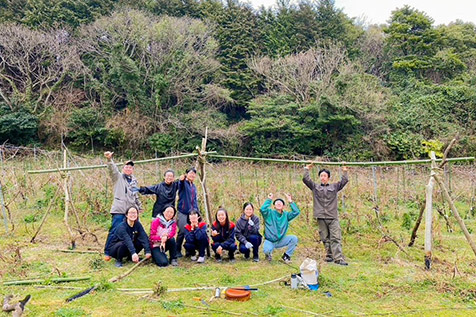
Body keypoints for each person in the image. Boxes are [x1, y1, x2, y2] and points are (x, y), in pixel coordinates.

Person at [303, 164, 349, 266]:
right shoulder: (315, 187)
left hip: (332, 216)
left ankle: (338, 258)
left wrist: (344, 171)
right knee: (325, 238)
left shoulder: (334, 186)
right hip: (320, 216)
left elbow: (344, 181)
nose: (323, 178)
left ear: (328, 177)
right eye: (321, 176)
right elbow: (306, 179)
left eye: (324, 176)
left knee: (335, 237)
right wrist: (307, 169)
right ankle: (329, 256)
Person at [103, 151, 143, 261]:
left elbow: (135, 195)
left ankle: (131, 251)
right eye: (126, 167)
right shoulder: (118, 177)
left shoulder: (134, 181)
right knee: (115, 230)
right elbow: (112, 170)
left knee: (135, 231)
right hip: (119, 209)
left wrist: (139, 206)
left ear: (133, 170)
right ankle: (108, 252)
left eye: (130, 168)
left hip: (131, 211)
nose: (128, 169)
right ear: (123, 168)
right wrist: (109, 160)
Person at [260, 193, 300, 263]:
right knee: (266, 250)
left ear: (283, 206)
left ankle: (286, 256)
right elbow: (262, 209)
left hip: (280, 240)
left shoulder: (286, 215)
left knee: (294, 238)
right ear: (274, 206)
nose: (278, 204)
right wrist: (269, 199)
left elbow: (296, 212)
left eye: (280, 203)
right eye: (277, 203)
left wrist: (290, 201)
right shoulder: (269, 213)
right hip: (270, 240)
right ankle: (268, 255)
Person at [176, 167, 199, 257]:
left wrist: (196, 211)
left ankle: (189, 250)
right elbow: (180, 185)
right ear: (186, 174)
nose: (192, 175)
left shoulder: (193, 186)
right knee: (182, 230)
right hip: (183, 211)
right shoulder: (183, 183)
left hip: (192, 213)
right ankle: (177, 250)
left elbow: (195, 200)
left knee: (191, 231)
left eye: (194, 174)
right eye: (190, 173)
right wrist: (181, 180)